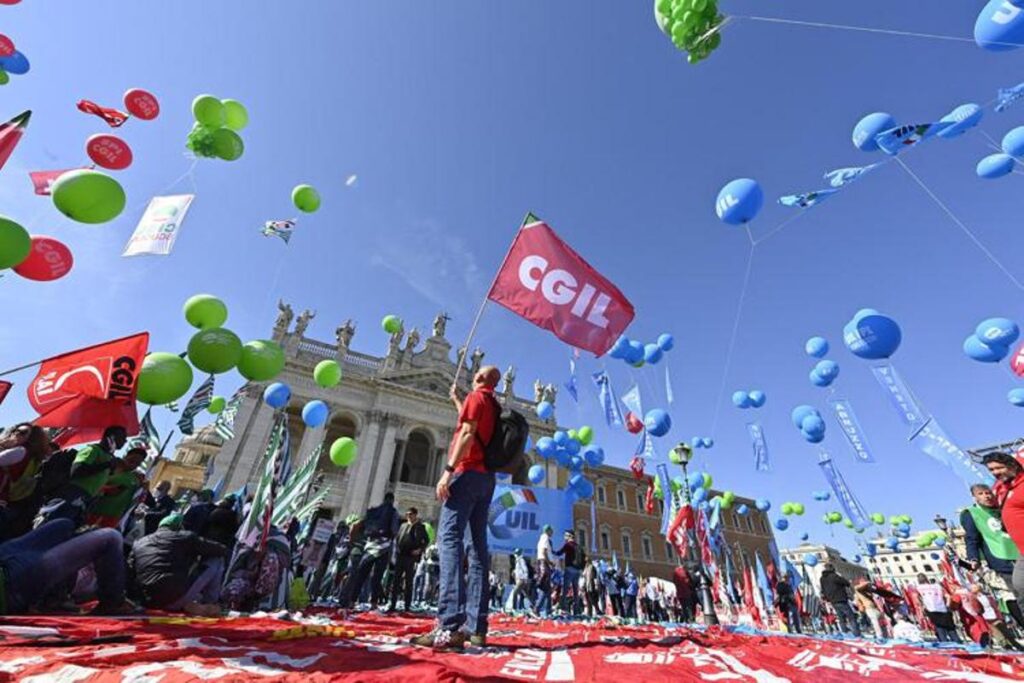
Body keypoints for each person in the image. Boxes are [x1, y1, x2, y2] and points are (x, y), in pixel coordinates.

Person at [413, 366, 500, 650]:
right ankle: (477, 628)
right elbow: (477, 430)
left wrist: (447, 471)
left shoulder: (477, 397)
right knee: (477, 549)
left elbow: (467, 432)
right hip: (486, 480)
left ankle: (449, 624)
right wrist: (456, 401)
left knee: (448, 539)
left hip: (466, 471)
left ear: (478, 378)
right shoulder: (493, 405)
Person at [0, 518, 134, 615]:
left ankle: (53, 595)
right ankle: (113, 604)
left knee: (64, 525)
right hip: (9, 585)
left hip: (6, 564)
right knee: (110, 537)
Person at [129, 513, 227, 616]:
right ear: (179, 527)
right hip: (174, 598)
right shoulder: (185, 537)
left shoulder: (139, 543)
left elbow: (130, 571)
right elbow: (220, 550)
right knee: (216, 559)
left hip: (147, 601)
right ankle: (210, 603)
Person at [39, 426, 126, 525]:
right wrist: (106, 465)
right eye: (122, 437)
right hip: (71, 494)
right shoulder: (92, 450)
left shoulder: (108, 457)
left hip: (85, 499)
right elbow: (77, 471)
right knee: (50, 524)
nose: (125, 441)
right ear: (111, 437)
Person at [983, 453, 1024, 609]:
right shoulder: (1001, 488)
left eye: (999, 467)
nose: (995, 472)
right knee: (1020, 587)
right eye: (991, 469)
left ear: (1012, 465)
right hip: (1021, 549)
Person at [0, 423, 54, 539]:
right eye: (15, 430)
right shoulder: (35, 457)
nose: (16, 433)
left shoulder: (20, 451)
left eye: (23, 432)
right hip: (12, 503)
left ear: (32, 438)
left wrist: (2, 445)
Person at [85, 447, 147, 529]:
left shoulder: (136, 479)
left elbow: (140, 499)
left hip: (114, 518)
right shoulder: (108, 467)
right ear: (126, 456)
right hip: (93, 512)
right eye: (131, 460)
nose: (133, 464)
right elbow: (94, 485)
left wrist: (144, 488)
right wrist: (108, 488)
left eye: (137, 463)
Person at [389, 507, 429, 612]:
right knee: (396, 581)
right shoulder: (403, 525)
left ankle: (407, 605)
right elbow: (397, 538)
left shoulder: (420, 527)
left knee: (409, 582)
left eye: (410, 514)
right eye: (407, 514)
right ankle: (392, 604)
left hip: (411, 558)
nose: (408, 516)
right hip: (400, 556)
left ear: (415, 515)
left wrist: (419, 550)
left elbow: (426, 540)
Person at [915, 574, 960, 643]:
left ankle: (947, 647)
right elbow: (948, 597)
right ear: (926, 578)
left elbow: (917, 600)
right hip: (943, 610)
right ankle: (959, 645)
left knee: (940, 631)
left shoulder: (918, 588)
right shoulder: (938, 586)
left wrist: (923, 607)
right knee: (951, 630)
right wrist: (947, 606)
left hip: (932, 611)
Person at [819, 564, 861, 636]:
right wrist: (840, 576)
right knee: (851, 617)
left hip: (832, 600)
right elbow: (846, 583)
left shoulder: (822, 578)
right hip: (840, 598)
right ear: (832, 569)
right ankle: (857, 634)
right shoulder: (834, 576)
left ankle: (845, 633)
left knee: (841, 618)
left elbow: (823, 590)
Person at [554, 530, 583, 615]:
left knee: (565, 589)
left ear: (570, 536)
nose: (564, 537)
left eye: (566, 536)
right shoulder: (578, 546)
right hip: (577, 571)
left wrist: (552, 551)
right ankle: (576, 610)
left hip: (569, 569)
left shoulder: (568, 545)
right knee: (575, 590)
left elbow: (559, 553)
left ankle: (562, 607)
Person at [535, 524, 555, 617]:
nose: (552, 532)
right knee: (545, 588)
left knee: (547, 590)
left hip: (544, 563)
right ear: (548, 530)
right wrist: (550, 563)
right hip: (545, 564)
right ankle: (537, 608)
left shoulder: (543, 539)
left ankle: (548, 610)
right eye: (551, 530)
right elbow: (544, 552)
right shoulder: (545, 538)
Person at [508, 548, 534, 614]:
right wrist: (514, 572)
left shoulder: (521, 560)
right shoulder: (518, 561)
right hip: (520, 580)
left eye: (516, 553)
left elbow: (525, 570)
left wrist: (525, 579)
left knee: (515, 593)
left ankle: (514, 608)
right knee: (526, 594)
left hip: (521, 580)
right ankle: (533, 607)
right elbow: (519, 570)